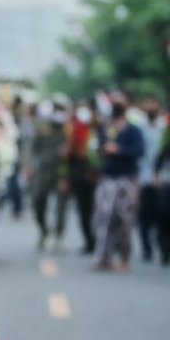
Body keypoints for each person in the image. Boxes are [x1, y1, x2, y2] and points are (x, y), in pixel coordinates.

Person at [92, 94, 144, 272]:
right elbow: (98, 147)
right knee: (104, 216)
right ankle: (103, 256)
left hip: (127, 178)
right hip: (108, 178)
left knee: (125, 219)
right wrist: (105, 148)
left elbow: (139, 150)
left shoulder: (133, 130)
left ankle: (124, 257)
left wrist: (119, 149)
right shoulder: (106, 128)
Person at [29, 99, 70, 251]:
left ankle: (58, 235)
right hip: (42, 172)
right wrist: (30, 166)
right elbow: (33, 150)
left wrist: (64, 176)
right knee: (38, 202)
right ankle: (44, 230)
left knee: (61, 206)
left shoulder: (67, 130)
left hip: (60, 172)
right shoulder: (42, 129)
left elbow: (67, 156)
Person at [134, 96, 164, 263]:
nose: (150, 106)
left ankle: (162, 246)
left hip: (162, 178)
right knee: (143, 216)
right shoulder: (139, 127)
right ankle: (146, 248)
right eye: (147, 103)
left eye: (153, 103)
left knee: (162, 214)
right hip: (143, 176)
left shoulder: (165, 126)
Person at [66, 101, 98, 254]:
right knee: (84, 210)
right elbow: (69, 153)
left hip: (99, 176)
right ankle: (90, 241)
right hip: (80, 174)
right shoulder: (73, 128)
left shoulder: (101, 129)